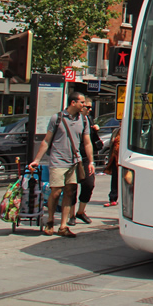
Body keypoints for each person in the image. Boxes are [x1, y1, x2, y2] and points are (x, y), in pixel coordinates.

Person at [28, 92, 95, 237]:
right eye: (82, 102)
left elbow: (87, 142)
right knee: (56, 191)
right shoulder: (57, 118)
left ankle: (63, 226)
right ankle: (50, 221)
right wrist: (37, 160)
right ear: (73, 103)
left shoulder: (84, 120)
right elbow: (46, 141)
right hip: (58, 161)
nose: (84, 105)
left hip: (74, 162)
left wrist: (91, 161)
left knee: (70, 192)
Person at [69, 97, 102, 226]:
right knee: (72, 187)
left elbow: (91, 142)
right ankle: (71, 214)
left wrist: (95, 131)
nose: (89, 109)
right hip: (73, 157)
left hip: (86, 158)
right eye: (87, 107)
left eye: (90, 107)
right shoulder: (70, 120)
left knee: (89, 184)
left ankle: (81, 211)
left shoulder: (88, 120)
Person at [104, 127, 120, 207]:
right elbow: (111, 144)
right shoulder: (116, 131)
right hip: (115, 158)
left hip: (124, 159)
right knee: (115, 179)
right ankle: (113, 198)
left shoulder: (131, 130)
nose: (121, 123)